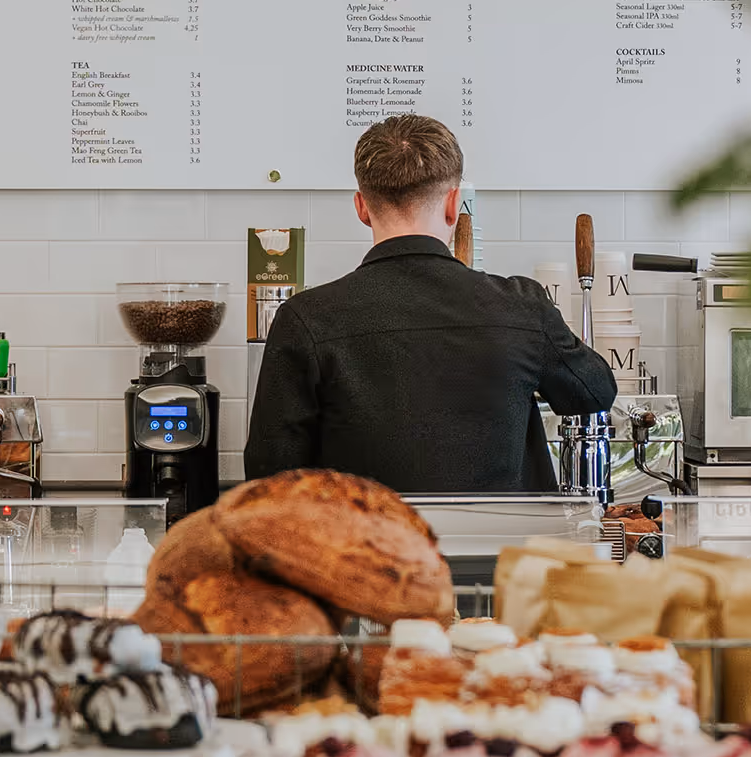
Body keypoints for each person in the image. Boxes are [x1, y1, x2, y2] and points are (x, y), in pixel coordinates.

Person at [243, 114, 616, 492]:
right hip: (503, 548)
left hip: (368, 548)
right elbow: (595, 392)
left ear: (361, 207)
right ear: (454, 205)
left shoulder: (306, 318)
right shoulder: (522, 306)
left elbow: (268, 474)